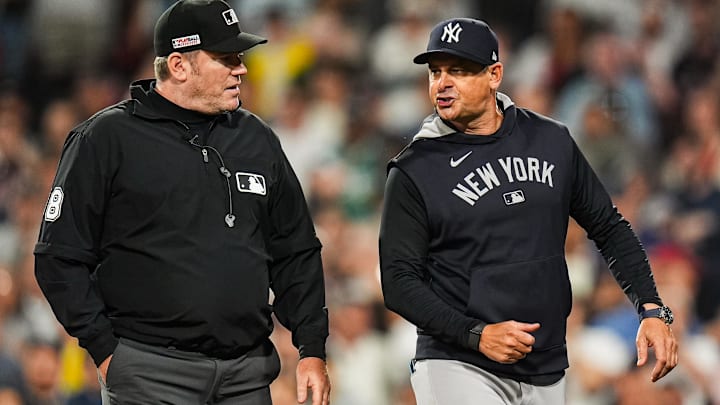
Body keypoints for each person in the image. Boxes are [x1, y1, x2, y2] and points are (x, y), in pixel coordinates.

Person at [33, 1, 330, 404]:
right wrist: (106, 352)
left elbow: (296, 250)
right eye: (225, 58)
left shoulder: (255, 139)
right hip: (150, 373)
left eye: (239, 57)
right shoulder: (106, 139)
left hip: (246, 374)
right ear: (179, 65)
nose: (241, 68)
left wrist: (311, 347)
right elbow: (58, 256)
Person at [378, 17, 678, 404]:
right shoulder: (414, 169)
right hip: (457, 361)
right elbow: (398, 282)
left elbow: (609, 227)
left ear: (494, 74)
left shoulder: (550, 140)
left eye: (460, 70)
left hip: (546, 362)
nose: (442, 83)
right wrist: (475, 334)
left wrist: (651, 308)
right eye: (435, 72)